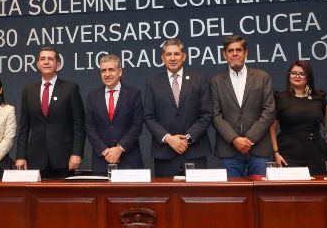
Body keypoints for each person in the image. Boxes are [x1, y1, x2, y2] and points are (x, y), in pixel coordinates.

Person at [144, 39, 212, 177]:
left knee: (197, 196)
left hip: (194, 151)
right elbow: (149, 117)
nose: (173, 58)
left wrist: (187, 138)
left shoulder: (199, 80)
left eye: (176, 54)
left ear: (184, 56)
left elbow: (206, 114)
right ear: (163, 58)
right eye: (168, 54)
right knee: (167, 197)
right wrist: (169, 139)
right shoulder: (152, 83)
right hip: (165, 153)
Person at [210, 35, 275, 177]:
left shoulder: (262, 77)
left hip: (258, 148)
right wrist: (234, 139)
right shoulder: (216, 81)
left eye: (238, 50)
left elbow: (269, 111)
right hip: (229, 150)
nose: (234, 54)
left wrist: (249, 139)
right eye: (230, 51)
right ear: (224, 54)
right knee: (234, 197)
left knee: (262, 195)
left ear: (246, 53)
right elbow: (215, 115)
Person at [16, 47, 85, 179]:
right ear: (38, 65)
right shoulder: (28, 90)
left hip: (63, 158)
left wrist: (77, 153)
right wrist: (20, 156)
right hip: (35, 158)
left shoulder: (70, 88)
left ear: (58, 65)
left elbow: (79, 126)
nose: (46, 62)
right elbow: (24, 128)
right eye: (42, 59)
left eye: (50, 59)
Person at [85, 54, 144, 175]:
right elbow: (89, 127)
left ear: (120, 71)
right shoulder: (92, 96)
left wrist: (119, 149)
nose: (107, 74)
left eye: (111, 70)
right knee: (102, 194)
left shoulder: (133, 94)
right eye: (103, 71)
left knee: (131, 194)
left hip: (129, 159)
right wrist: (105, 151)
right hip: (102, 159)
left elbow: (137, 125)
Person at [269, 60, 327, 175]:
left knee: (317, 191)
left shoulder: (319, 98)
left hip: (316, 154)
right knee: (292, 191)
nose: (297, 76)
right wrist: (276, 153)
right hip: (288, 154)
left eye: (302, 73)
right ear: (289, 75)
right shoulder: (280, 98)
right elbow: (272, 129)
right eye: (294, 73)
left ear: (308, 76)